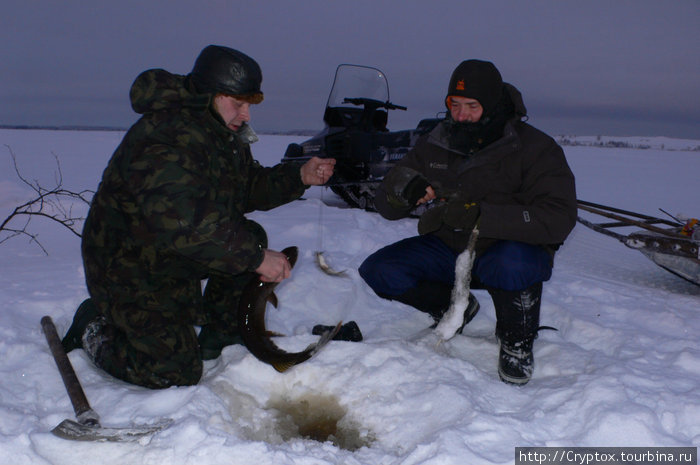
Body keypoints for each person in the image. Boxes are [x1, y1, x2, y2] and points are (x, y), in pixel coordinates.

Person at [61, 45, 336, 389]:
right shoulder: (166, 136)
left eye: (249, 104)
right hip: (126, 264)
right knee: (173, 371)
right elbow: (183, 223)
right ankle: (92, 325)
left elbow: (244, 188)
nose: (246, 114)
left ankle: (220, 335)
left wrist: (299, 177)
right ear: (210, 95)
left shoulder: (219, 133)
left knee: (248, 234)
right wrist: (254, 258)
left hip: (167, 251)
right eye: (238, 103)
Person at [359, 59, 577, 385]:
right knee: (380, 269)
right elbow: (386, 204)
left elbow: (559, 216)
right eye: (454, 105)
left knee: (511, 265)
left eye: (471, 106)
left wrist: (482, 216)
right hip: (450, 247)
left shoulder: (534, 147)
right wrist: (402, 190)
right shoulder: (437, 140)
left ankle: (517, 338)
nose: (461, 115)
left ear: (491, 105)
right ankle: (456, 307)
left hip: (507, 251)